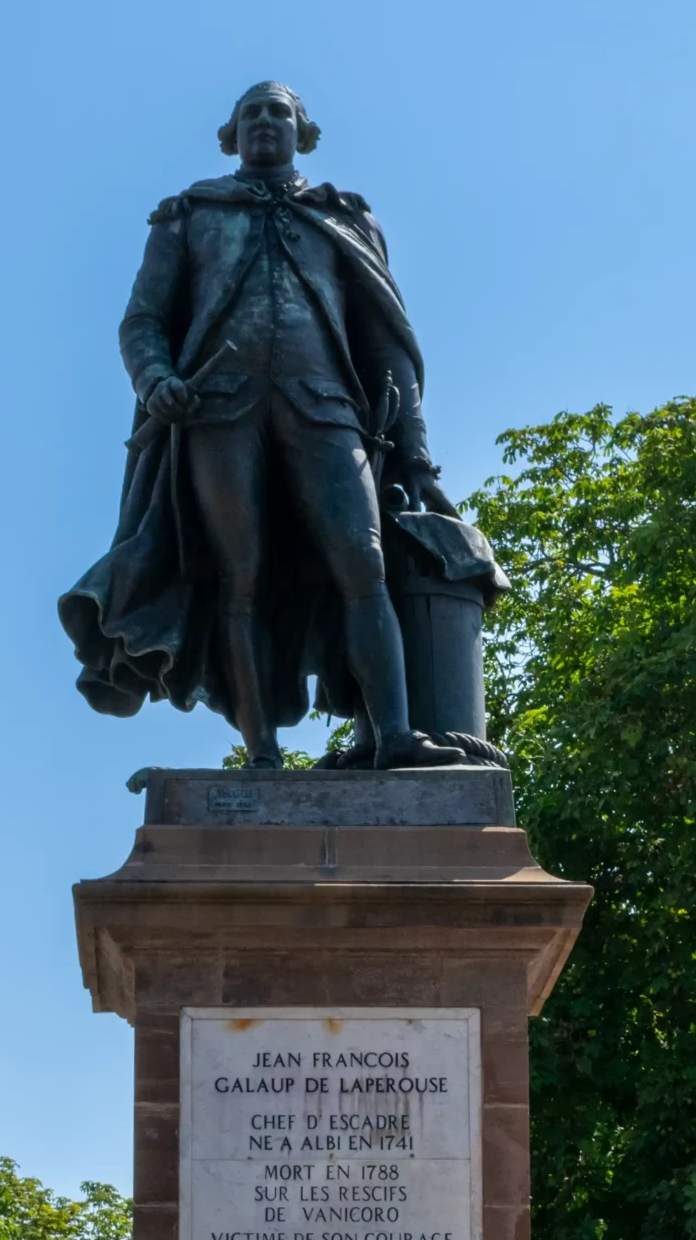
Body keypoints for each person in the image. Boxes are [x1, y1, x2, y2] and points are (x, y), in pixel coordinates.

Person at [61, 82, 468, 769]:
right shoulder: (191, 215)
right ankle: (263, 757)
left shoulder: (341, 218)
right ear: (232, 133)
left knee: (363, 562)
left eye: (278, 112)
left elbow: (386, 346)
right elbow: (143, 320)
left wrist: (418, 461)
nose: (264, 123)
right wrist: (156, 378)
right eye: (251, 113)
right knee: (237, 576)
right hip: (217, 412)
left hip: (326, 409)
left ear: (302, 131)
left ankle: (394, 737)